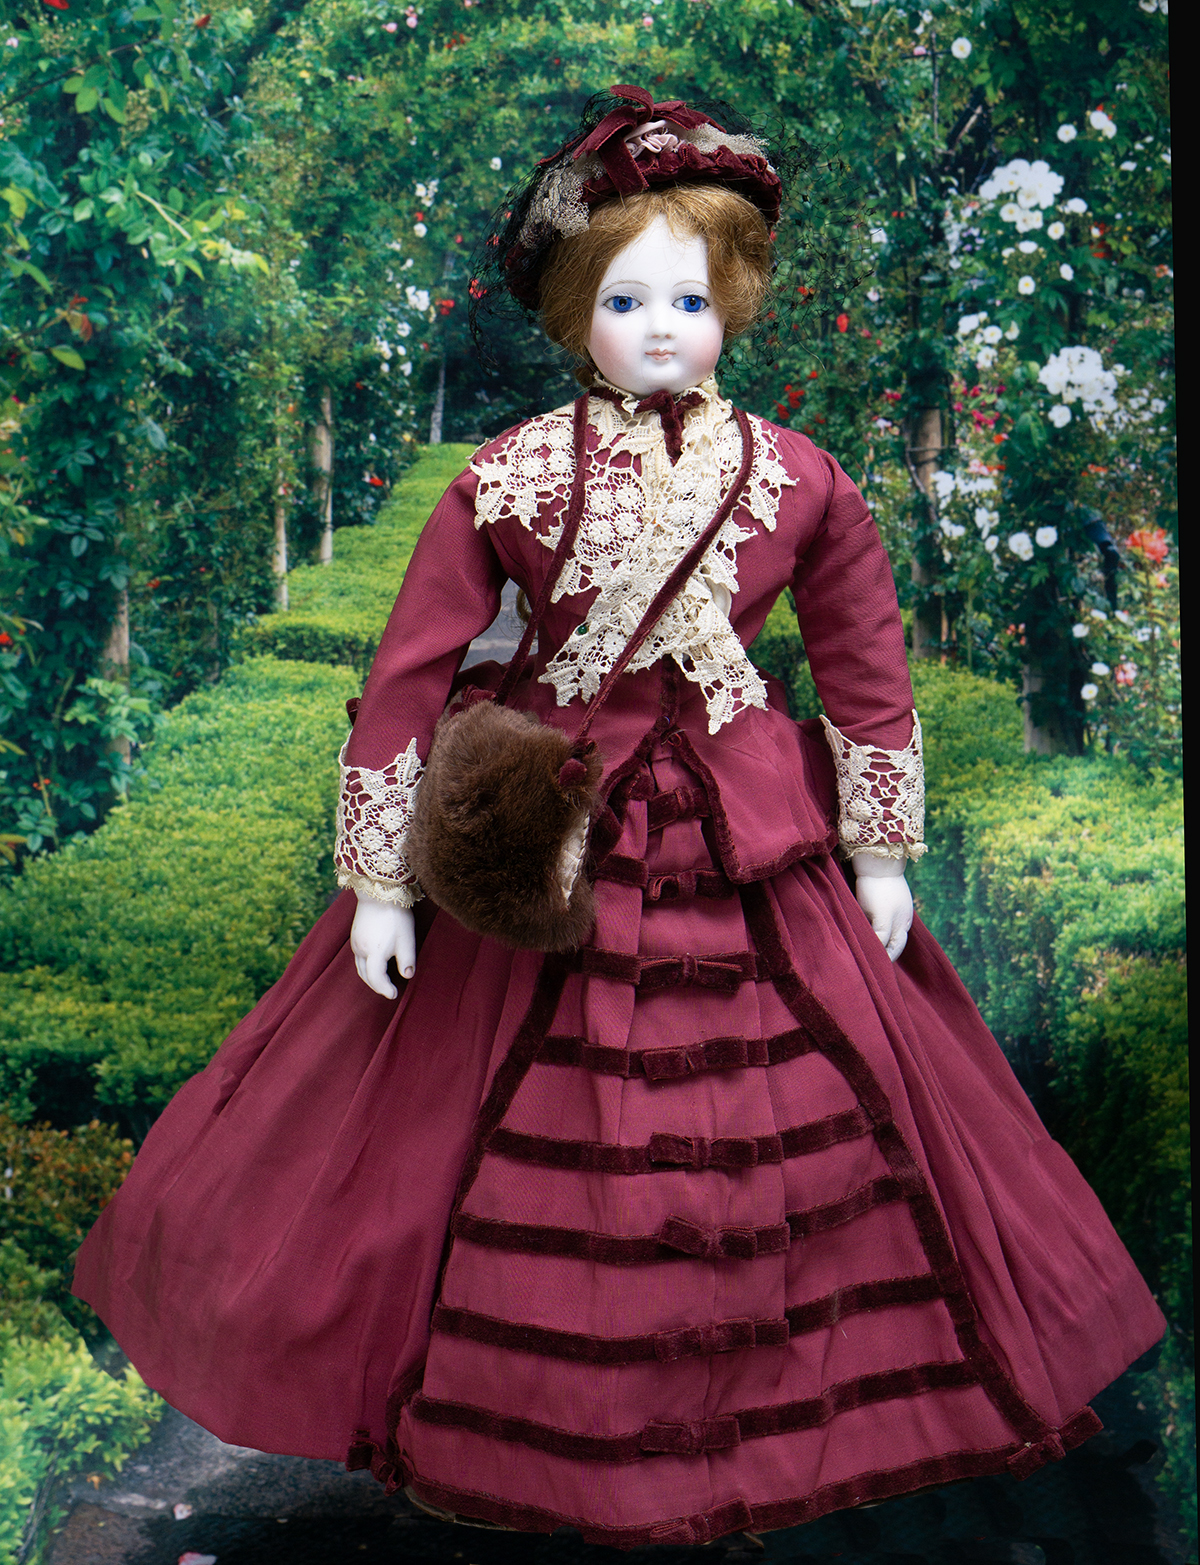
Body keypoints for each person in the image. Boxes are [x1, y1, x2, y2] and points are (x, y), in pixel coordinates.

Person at [74, 86, 1164, 1550]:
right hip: (554, 840)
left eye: (692, 300)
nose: (661, 328)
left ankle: (763, 1417)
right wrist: (383, 878)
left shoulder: (802, 480)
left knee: (802, 1131)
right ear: (575, 313)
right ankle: (555, 1433)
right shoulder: (508, 477)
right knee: (485, 1127)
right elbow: (407, 674)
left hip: (748, 843)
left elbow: (866, 668)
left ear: (735, 307)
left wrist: (882, 849)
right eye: (626, 299)